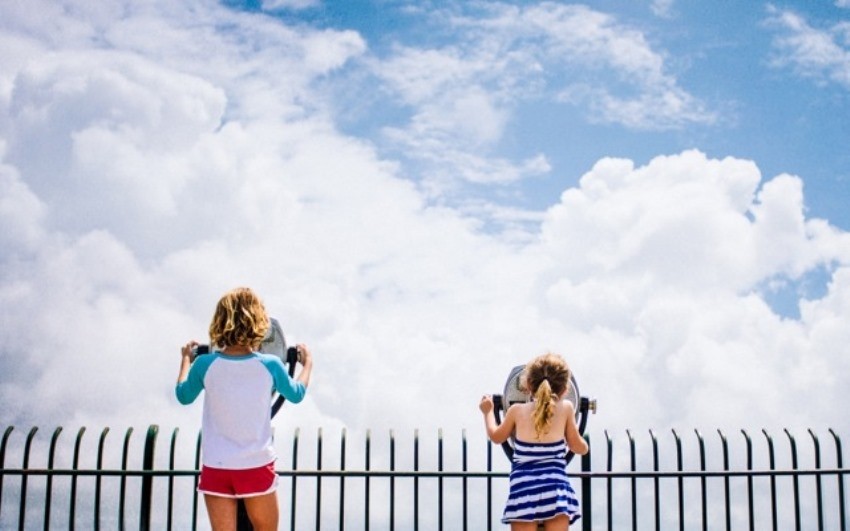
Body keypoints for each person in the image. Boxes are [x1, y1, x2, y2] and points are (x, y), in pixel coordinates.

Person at [176, 287, 313, 531]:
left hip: (216, 465)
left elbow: (183, 396)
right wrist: (307, 363)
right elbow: (296, 394)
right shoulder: (270, 364)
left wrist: (187, 359)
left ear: (219, 322)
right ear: (259, 322)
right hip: (255, 465)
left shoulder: (205, 364)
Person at [479, 353, 588, 531]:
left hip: (524, 489)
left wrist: (488, 412)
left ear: (528, 384)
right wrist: (585, 446)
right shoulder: (567, 408)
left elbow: (496, 436)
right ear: (566, 389)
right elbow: (576, 446)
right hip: (555, 488)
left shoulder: (515, 411)